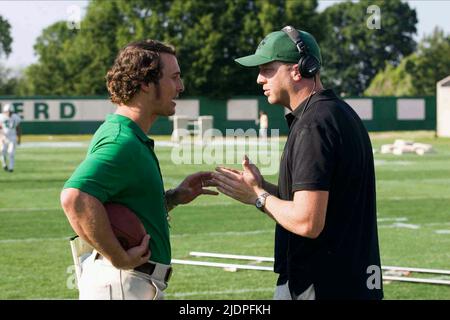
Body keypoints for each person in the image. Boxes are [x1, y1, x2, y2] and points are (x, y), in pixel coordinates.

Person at [212, 26, 383, 300]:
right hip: (349, 282)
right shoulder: (337, 113)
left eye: (267, 69)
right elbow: (316, 201)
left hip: (321, 285)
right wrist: (259, 187)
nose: (259, 78)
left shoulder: (313, 125)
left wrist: (258, 196)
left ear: (297, 69)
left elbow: (308, 222)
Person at [60, 40, 218, 300]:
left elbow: (125, 206)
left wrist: (173, 197)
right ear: (145, 82)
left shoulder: (124, 133)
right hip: (123, 282)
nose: (180, 87)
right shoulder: (123, 142)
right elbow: (75, 197)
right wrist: (118, 256)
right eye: (174, 78)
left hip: (128, 282)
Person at [0, 103, 22, 172]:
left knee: (11, 152)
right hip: (4, 137)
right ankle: (4, 164)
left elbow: (18, 128)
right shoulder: (1, 117)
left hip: (12, 137)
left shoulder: (16, 117)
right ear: (4, 111)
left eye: (10, 112)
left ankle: (11, 168)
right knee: (2, 151)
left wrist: (19, 139)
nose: (9, 113)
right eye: (7, 111)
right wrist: (1, 136)